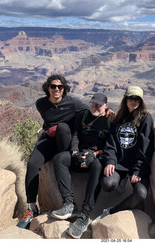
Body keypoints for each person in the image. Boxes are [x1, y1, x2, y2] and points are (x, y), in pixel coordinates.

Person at [17, 74, 89, 229]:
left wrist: (108, 110)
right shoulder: (41, 104)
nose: (56, 89)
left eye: (60, 86)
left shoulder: (73, 103)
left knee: (62, 127)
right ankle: (31, 209)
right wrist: (48, 130)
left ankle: (60, 158)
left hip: (65, 142)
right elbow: (47, 121)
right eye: (53, 86)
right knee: (32, 164)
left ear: (64, 89)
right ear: (48, 88)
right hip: (49, 140)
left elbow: (90, 111)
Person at [91, 86, 155, 226]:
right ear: (125, 99)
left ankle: (111, 212)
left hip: (136, 166)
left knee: (140, 195)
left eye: (137, 98)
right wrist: (110, 161)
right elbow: (111, 142)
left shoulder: (145, 118)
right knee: (107, 184)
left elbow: (146, 146)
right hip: (120, 164)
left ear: (141, 101)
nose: (133, 101)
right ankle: (121, 181)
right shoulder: (119, 117)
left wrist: (138, 170)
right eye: (130, 98)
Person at [51, 93, 111, 239]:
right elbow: (76, 135)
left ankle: (84, 215)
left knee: (97, 166)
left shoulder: (110, 120)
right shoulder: (83, 115)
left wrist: (95, 154)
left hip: (96, 156)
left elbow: (110, 145)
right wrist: (75, 152)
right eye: (93, 104)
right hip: (79, 154)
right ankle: (70, 204)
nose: (95, 107)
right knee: (60, 158)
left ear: (106, 106)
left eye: (99, 105)